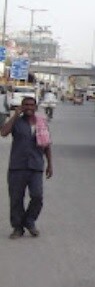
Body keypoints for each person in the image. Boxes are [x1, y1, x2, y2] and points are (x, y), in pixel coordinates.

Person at [0, 96, 53, 239]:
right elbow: (3, 132)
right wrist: (15, 115)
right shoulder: (16, 122)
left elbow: (47, 144)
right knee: (16, 199)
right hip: (17, 166)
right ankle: (17, 227)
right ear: (22, 107)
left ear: (35, 107)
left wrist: (50, 164)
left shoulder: (42, 123)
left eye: (31, 105)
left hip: (35, 166)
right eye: (26, 105)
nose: (29, 107)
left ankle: (29, 221)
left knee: (37, 196)